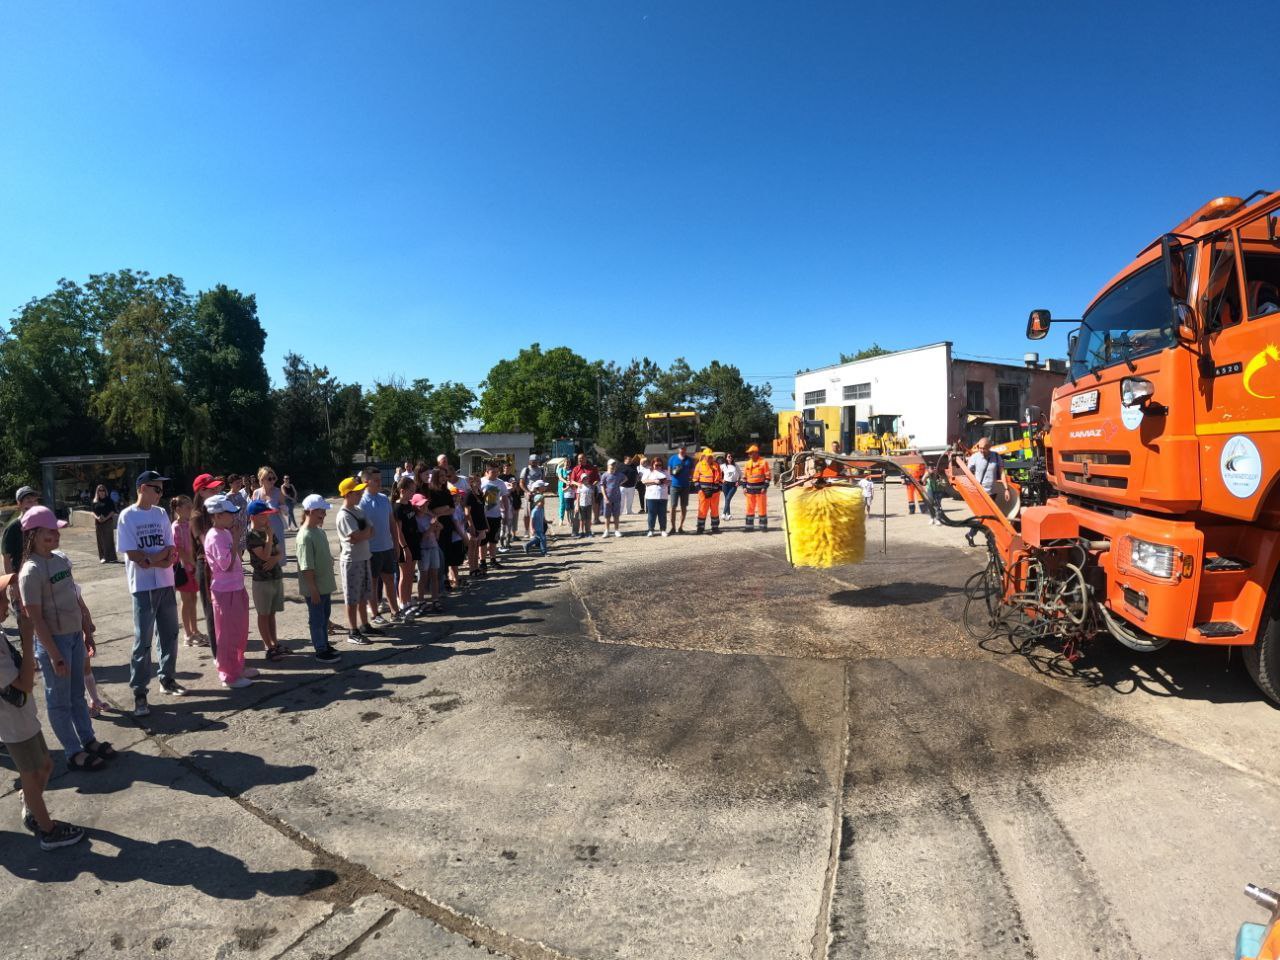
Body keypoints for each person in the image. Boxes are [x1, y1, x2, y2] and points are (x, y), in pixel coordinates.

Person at [19, 506, 114, 772]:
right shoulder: (31, 571)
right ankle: (73, 752)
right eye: (49, 531)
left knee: (77, 695)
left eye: (56, 530)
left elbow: (74, 597)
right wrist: (53, 653)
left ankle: (88, 739)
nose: (56, 535)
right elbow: (36, 619)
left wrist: (86, 628)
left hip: (73, 636)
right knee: (59, 700)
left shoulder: (60, 560)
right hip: (54, 643)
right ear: (34, 534)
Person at [0, 571, 86, 849]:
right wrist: (27, 637)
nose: (11, 603)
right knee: (31, 772)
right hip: (14, 723)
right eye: (5, 599)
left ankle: (30, 802)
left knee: (45, 765)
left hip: (23, 716)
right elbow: (24, 683)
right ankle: (47, 830)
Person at [117, 470, 183, 717]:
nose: (161, 493)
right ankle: (139, 692)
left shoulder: (161, 513)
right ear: (143, 488)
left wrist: (156, 560)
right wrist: (159, 561)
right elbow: (133, 554)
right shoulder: (127, 516)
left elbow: (170, 546)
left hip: (165, 583)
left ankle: (167, 678)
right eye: (157, 488)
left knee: (170, 634)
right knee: (142, 640)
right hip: (142, 587)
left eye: (162, 489)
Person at [203, 494, 254, 688]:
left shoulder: (223, 532)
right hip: (225, 591)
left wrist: (233, 537)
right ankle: (228, 675)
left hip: (236, 587)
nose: (233, 516)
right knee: (227, 634)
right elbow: (225, 564)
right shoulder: (215, 535)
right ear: (216, 515)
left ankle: (237, 666)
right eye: (229, 513)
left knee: (239, 631)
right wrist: (234, 538)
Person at [295, 494, 342, 663]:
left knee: (324, 616)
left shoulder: (318, 531)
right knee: (316, 619)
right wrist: (313, 590)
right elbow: (306, 567)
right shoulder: (305, 536)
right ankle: (320, 649)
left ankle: (325, 643)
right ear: (313, 512)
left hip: (324, 585)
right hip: (315, 588)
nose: (325, 514)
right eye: (322, 511)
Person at [336, 476, 380, 644]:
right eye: (357, 492)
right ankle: (353, 631)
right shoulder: (343, 515)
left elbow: (371, 531)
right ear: (347, 494)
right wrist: (365, 533)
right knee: (352, 597)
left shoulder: (359, 510)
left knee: (363, 594)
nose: (361, 494)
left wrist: (364, 534)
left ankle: (364, 625)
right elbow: (355, 537)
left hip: (364, 557)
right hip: (351, 561)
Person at [245, 500, 287, 662]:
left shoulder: (269, 532)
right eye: (263, 516)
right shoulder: (252, 535)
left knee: (272, 613)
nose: (266, 519)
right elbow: (264, 556)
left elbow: (279, 553)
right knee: (263, 614)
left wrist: (275, 557)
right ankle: (268, 646)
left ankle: (275, 643)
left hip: (275, 576)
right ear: (253, 517)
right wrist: (269, 538)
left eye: (267, 515)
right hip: (262, 580)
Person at [358, 469, 402, 623]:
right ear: (366, 482)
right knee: (373, 583)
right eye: (375, 480)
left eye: (380, 479)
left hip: (387, 547)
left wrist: (396, 544)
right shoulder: (361, 502)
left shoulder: (384, 498)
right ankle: (375, 614)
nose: (380, 482)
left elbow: (392, 523)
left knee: (390, 580)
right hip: (371, 550)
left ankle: (395, 612)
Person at [190, 473, 224, 657]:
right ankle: (218, 654)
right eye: (213, 488)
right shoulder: (196, 516)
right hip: (206, 566)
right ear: (202, 492)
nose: (217, 490)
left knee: (222, 611)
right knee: (211, 610)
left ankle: (225, 651)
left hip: (219, 565)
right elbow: (207, 544)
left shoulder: (213, 512)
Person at [169, 495, 206, 647]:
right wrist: (193, 563)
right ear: (178, 510)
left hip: (193, 567)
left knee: (194, 599)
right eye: (188, 508)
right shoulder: (176, 526)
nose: (191, 510)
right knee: (186, 601)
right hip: (184, 569)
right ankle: (188, 634)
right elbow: (179, 550)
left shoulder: (190, 524)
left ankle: (195, 630)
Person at [411, 493, 444, 612]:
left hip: (433, 547)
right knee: (423, 576)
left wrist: (432, 516)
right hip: (423, 549)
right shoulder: (414, 519)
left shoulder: (427, 516)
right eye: (421, 505)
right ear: (415, 506)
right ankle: (421, 600)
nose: (424, 507)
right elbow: (422, 537)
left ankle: (435, 599)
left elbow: (440, 526)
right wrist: (431, 527)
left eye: (425, 504)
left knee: (434, 575)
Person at [394, 476, 420, 614]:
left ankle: (408, 599)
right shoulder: (397, 507)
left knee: (411, 574)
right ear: (402, 490)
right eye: (411, 491)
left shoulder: (409, 504)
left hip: (414, 542)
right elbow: (398, 531)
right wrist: (404, 548)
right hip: (404, 546)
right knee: (404, 574)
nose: (413, 493)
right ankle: (402, 602)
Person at [251, 467, 289, 563]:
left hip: (275, 524)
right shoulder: (256, 493)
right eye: (269, 478)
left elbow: (285, 509)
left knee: (276, 550)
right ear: (262, 479)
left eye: (274, 478)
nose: (272, 481)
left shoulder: (278, 492)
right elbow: (252, 510)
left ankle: (277, 569)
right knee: (263, 550)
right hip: (261, 526)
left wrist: (281, 508)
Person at [481, 464, 510, 568]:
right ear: (487, 471)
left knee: (493, 539)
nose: (496, 474)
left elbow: (505, 498)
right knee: (483, 540)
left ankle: (493, 560)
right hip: (483, 516)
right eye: (493, 472)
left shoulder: (500, 483)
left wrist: (506, 513)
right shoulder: (481, 482)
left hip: (496, 515)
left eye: (497, 472)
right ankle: (482, 561)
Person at [692, 447, 724, 534]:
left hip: (715, 493)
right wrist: (699, 490)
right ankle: (700, 528)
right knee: (702, 510)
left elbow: (720, 478)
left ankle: (715, 527)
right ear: (704, 456)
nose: (710, 458)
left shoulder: (716, 465)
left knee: (715, 510)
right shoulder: (699, 465)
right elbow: (695, 479)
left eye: (711, 456)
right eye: (708, 456)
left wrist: (719, 488)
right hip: (703, 492)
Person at [569, 454, 600, 538]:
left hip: (589, 494)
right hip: (578, 494)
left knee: (587, 516)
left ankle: (587, 531)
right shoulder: (575, 469)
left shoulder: (592, 468)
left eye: (581, 458)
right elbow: (571, 481)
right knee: (576, 515)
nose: (580, 460)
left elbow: (597, 479)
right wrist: (578, 484)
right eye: (578, 458)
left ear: (585, 458)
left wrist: (592, 486)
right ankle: (575, 532)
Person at [742, 444, 771, 532]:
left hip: (760, 490)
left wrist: (765, 487)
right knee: (749, 508)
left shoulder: (763, 462)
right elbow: (744, 477)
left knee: (762, 508)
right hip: (750, 490)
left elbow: (768, 476)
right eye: (749, 453)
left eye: (751, 453)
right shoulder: (747, 464)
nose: (749, 455)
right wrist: (744, 487)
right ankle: (749, 527)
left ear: (756, 453)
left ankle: (763, 527)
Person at [667, 445, 695, 534]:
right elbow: (669, 471)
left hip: (685, 486)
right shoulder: (672, 458)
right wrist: (674, 473)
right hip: (674, 485)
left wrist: (688, 477)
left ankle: (680, 527)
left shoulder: (689, 460)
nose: (682, 450)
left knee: (684, 507)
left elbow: (692, 472)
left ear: (685, 449)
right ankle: (673, 527)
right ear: (678, 449)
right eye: (681, 448)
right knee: (673, 507)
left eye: (684, 449)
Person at [640, 456, 670, 536]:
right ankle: (651, 530)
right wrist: (654, 481)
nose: (658, 467)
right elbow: (643, 481)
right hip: (651, 496)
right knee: (651, 514)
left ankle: (663, 530)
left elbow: (670, 481)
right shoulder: (648, 471)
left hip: (663, 496)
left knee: (662, 514)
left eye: (660, 465)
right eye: (656, 465)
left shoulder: (665, 471)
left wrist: (664, 481)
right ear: (652, 464)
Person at [518, 455, 545, 539]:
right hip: (529, 494)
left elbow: (543, 481)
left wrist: (542, 490)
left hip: (538, 494)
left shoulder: (541, 469)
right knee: (527, 514)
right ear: (529, 461)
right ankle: (527, 530)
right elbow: (521, 483)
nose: (535, 462)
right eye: (533, 461)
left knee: (538, 512)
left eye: (536, 461)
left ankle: (537, 530)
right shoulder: (526, 470)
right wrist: (527, 492)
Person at [90, 485, 118, 563]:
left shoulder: (109, 500)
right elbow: (92, 512)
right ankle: (102, 557)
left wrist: (106, 518)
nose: (101, 492)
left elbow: (112, 511)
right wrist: (97, 518)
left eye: (103, 490)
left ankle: (111, 557)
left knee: (108, 539)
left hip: (108, 522)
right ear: (97, 492)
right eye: (100, 490)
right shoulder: (95, 501)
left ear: (105, 492)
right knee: (100, 540)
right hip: (98, 522)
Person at [524, 481, 550, 555]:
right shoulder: (535, 510)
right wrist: (532, 528)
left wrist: (546, 521)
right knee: (543, 538)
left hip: (541, 526)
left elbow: (543, 516)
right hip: (536, 527)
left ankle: (527, 545)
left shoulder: (541, 508)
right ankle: (544, 552)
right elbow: (531, 520)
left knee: (537, 539)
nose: (543, 503)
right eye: (542, 501)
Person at [601, 459, 624, 538]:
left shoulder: (619, 474)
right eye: (612, 464)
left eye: (614, 464)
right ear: (608, 465)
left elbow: (625, 478)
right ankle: (607, 530)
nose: (613, 466)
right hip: (607, 498)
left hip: (617, 498)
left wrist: (619, 483)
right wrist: (605, 497)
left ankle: (616, 530)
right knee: (607, 516)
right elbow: (602, 486)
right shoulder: (604, 475)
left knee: (616, 515)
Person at [556, 459, 575, 534]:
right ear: (563, 463)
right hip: (561, 487)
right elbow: (560, 477)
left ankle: (569, 520)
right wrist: (566, 482)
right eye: (566, 462)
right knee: (562, 503)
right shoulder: (560, 469)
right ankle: (561, 519)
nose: (567, 464)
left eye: (569, 462)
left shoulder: (571, 470)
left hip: (569, 489)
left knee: (570, 504)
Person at [721, 453, 741, 521]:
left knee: (728, 498)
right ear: (726, 458)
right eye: (729, 456)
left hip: (733, 485)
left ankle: (724, 513)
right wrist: (721, 479)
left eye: (731, 456)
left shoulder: (736, 465)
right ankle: (729, 515)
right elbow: (717, 473)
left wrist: (738, 481)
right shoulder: (723, 466)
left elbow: (740, 474)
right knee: (727, 499)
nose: (730, 458)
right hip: (725, 484)